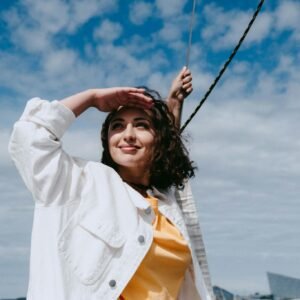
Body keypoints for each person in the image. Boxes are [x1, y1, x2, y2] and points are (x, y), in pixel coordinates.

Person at [9, 67, 213, 300]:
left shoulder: (168, 204)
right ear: (108, 141)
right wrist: (92, 98)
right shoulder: (76, 182)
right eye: (117, 125)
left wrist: (174, 105)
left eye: (141, 125)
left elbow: (168, 157)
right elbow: (29, 136)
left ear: (159, 139)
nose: (127, 134)